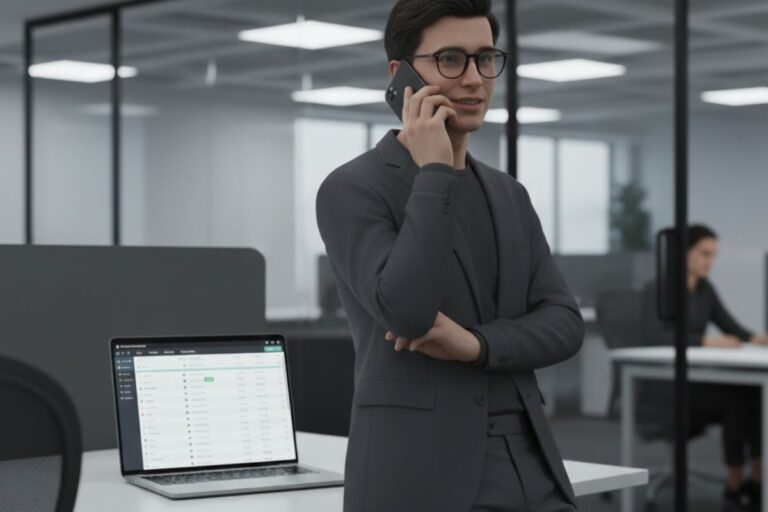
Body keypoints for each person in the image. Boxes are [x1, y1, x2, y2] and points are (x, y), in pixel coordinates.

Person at [315, 1, 584, 511]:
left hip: (533, 468)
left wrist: (474, 345)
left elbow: (564, 323)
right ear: (402, 75)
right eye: (451, 59)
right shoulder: (351, 189)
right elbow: (407, 310)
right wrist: (436, 170)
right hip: (422, 474)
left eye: (485, 58)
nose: (475, 79)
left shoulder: (509, 195)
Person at [642, 224, 768, 510]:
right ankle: (735, 481)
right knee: (736, 397)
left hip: (695, 380)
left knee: (754, 393)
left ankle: (758, 478)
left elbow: (731, 327)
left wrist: (756, 338)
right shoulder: (660, 289)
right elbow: (655, 336)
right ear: (684, 254)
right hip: (662, 384)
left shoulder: (705, 289)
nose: (710, 261)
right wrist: (705, 341)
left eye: (713, 255)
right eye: (704, 254)